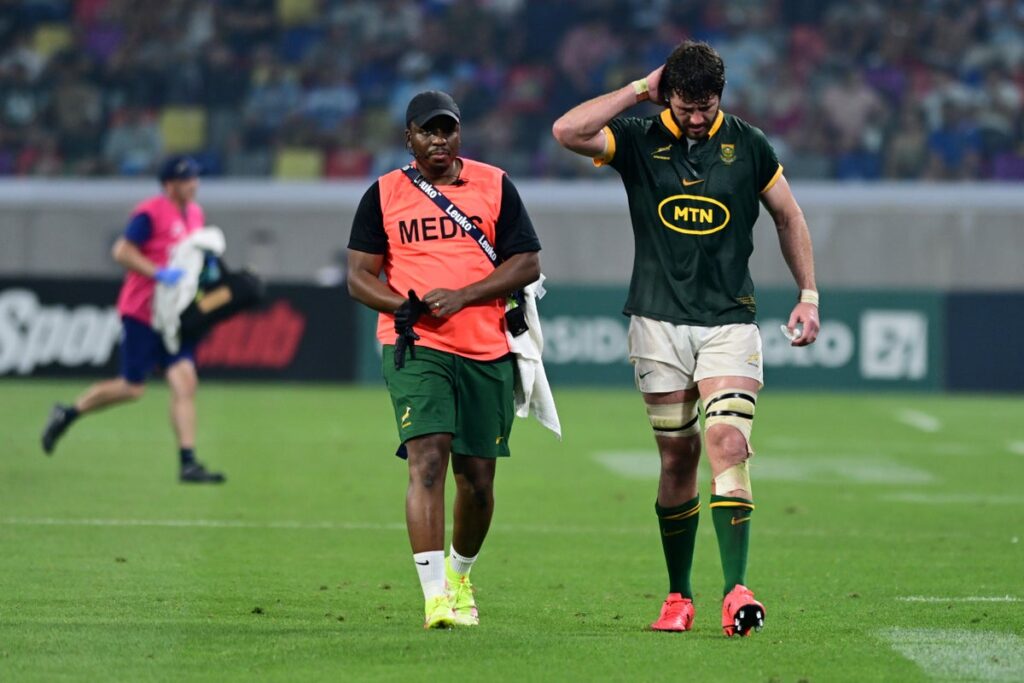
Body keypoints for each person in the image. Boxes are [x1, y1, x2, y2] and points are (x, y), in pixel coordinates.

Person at [552, 41, 820, 636]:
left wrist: (808, 293)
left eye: (707, 105)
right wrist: (636, 90)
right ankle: (679, 596)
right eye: (686, 104)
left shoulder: (749, 145)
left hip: (729, 321)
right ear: (666, 92)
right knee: (678, 456)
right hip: (656, 322)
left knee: (726, 440)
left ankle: (736, 591)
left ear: (721, 96)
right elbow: (567, 131)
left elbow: (789, 215)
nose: (697, 117)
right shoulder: (640, 137)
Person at [347, 90, 542, 629]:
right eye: (428, 131)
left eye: (448, 130)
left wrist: (465, 295)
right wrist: (404, 304)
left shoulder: (496, 184)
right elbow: (359, 277)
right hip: (416, 344)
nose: (439, 140)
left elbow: (526, 263)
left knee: (478, 481)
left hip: (486, 346)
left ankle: (459, 575)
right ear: (408, 137)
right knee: (427, 459)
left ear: (460, 134)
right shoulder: (384, 193)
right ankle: (435, 596)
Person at [41, 155, 227, 484]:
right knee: (132, 388)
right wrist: (159, 273)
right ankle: (68, 413)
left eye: (195, 178)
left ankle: (188, 463)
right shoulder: (149, 212)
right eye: (187, 179)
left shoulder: (196, 214)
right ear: (169, 184)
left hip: (174, 314)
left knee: (186, 382)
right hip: (142, 310)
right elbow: (122, 252)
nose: (194, 184)